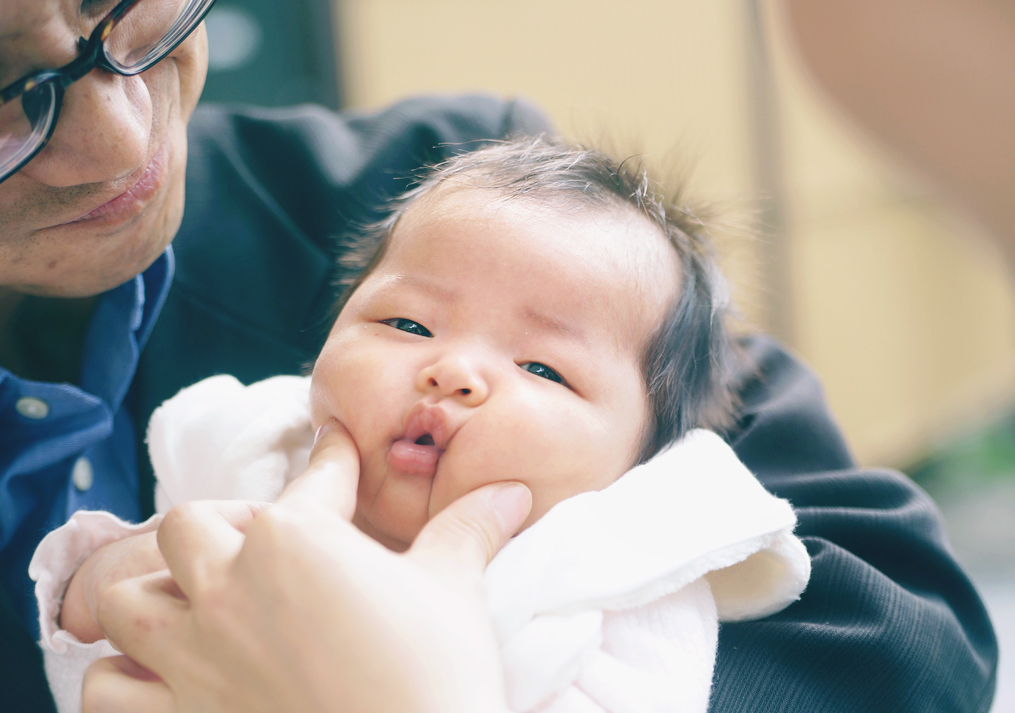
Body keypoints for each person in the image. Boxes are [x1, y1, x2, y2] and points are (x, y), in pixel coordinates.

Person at [0, 0, 997, 711]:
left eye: (113, 7)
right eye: (7, 89)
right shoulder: (248, 438)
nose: (123, 143)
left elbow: (905, 623)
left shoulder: (475, 208)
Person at [32, 138, 813, 713]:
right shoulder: (258, 455)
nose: (452, 371)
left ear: (640, 458)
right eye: (407, 322)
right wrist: (99, 584)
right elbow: (94, 661)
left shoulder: (611, 574)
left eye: (543, 369)